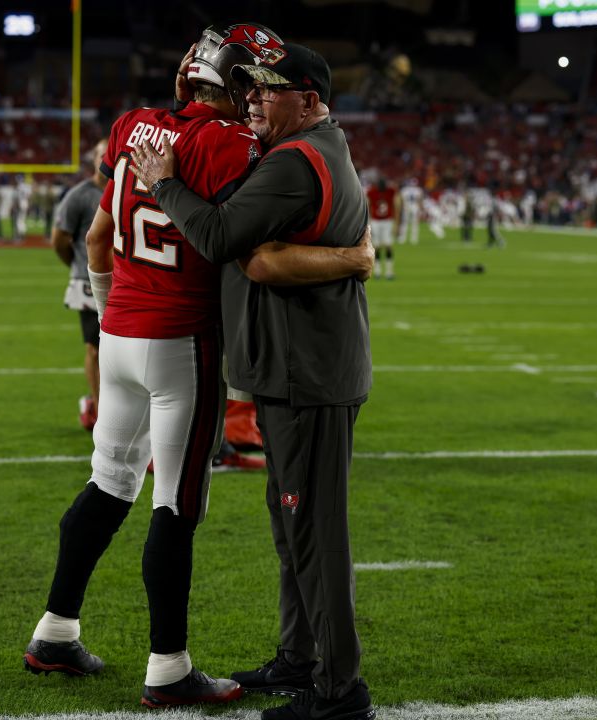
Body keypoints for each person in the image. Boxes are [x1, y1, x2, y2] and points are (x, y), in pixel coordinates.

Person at [24, 23, 285, 709]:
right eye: (252, 86)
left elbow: (96, 235)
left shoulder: (129, 127)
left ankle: (56, 630)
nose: (258, 100)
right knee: (175, 505)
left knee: (109, 484)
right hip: (181, 342)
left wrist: (113, 314)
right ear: (231, 86)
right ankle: (169, 667)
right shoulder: (234, 144)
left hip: (120, 333)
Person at [130, 41, 376, 720]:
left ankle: (339, 690)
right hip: (294, 368)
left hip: (308, 374)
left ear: (310, 98)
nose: (256, 100)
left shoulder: (298, 161)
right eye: (252, 91)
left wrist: (164, 182)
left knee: (316, 533)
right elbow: (256, 257)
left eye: (272, 89)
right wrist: (337, 258)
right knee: (292, 521)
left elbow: (214, 235)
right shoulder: (314, 147)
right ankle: (300, 659)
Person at [50, 138, 108, 432]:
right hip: (89, 281)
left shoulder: (126, 188)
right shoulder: (79, 195)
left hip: (124, 282)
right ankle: (99, 409)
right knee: (96, 348)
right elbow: (59, 240)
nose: (106, 158)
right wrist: (79, 268)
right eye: (101, 154)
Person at [366, 178, 398, 280]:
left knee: (388, 245)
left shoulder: (391, 191)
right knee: (377, 246)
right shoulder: (372, 192)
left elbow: (396, 204)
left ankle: (389, 272)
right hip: (376, 221)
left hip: (387, 221)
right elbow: (368, 205)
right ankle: (378, 271)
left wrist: (396, 223)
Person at [399, 178, 423, 245]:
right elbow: (419, 199)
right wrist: (420, 208)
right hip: (414, 206)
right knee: (414, 223)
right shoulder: (418, 190)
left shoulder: (405, 190)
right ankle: (413, 239)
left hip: (408, 206)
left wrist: (403, 206)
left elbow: (402, 199)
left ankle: (403, 238)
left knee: (405, 222)